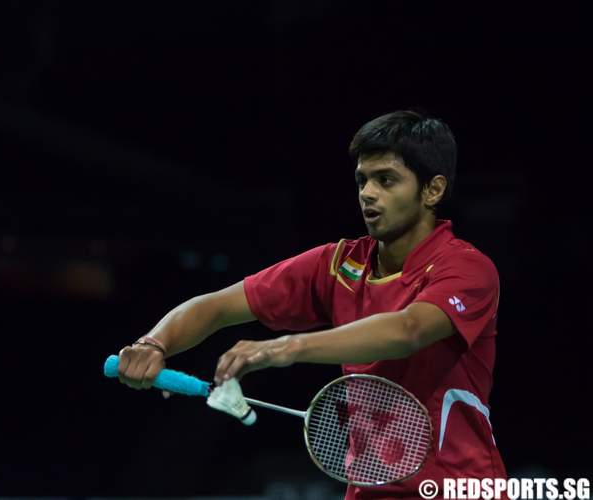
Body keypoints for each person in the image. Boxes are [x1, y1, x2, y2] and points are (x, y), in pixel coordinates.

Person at [116, 110, 507, 499]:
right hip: (369, 491)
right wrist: (154, 343)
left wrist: (287, 346)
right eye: (362, 180)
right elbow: (216, 306)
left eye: (386, 180)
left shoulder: (468, 268)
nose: (368, 193)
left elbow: (410, 329)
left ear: (432, 190)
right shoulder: (339, 265)